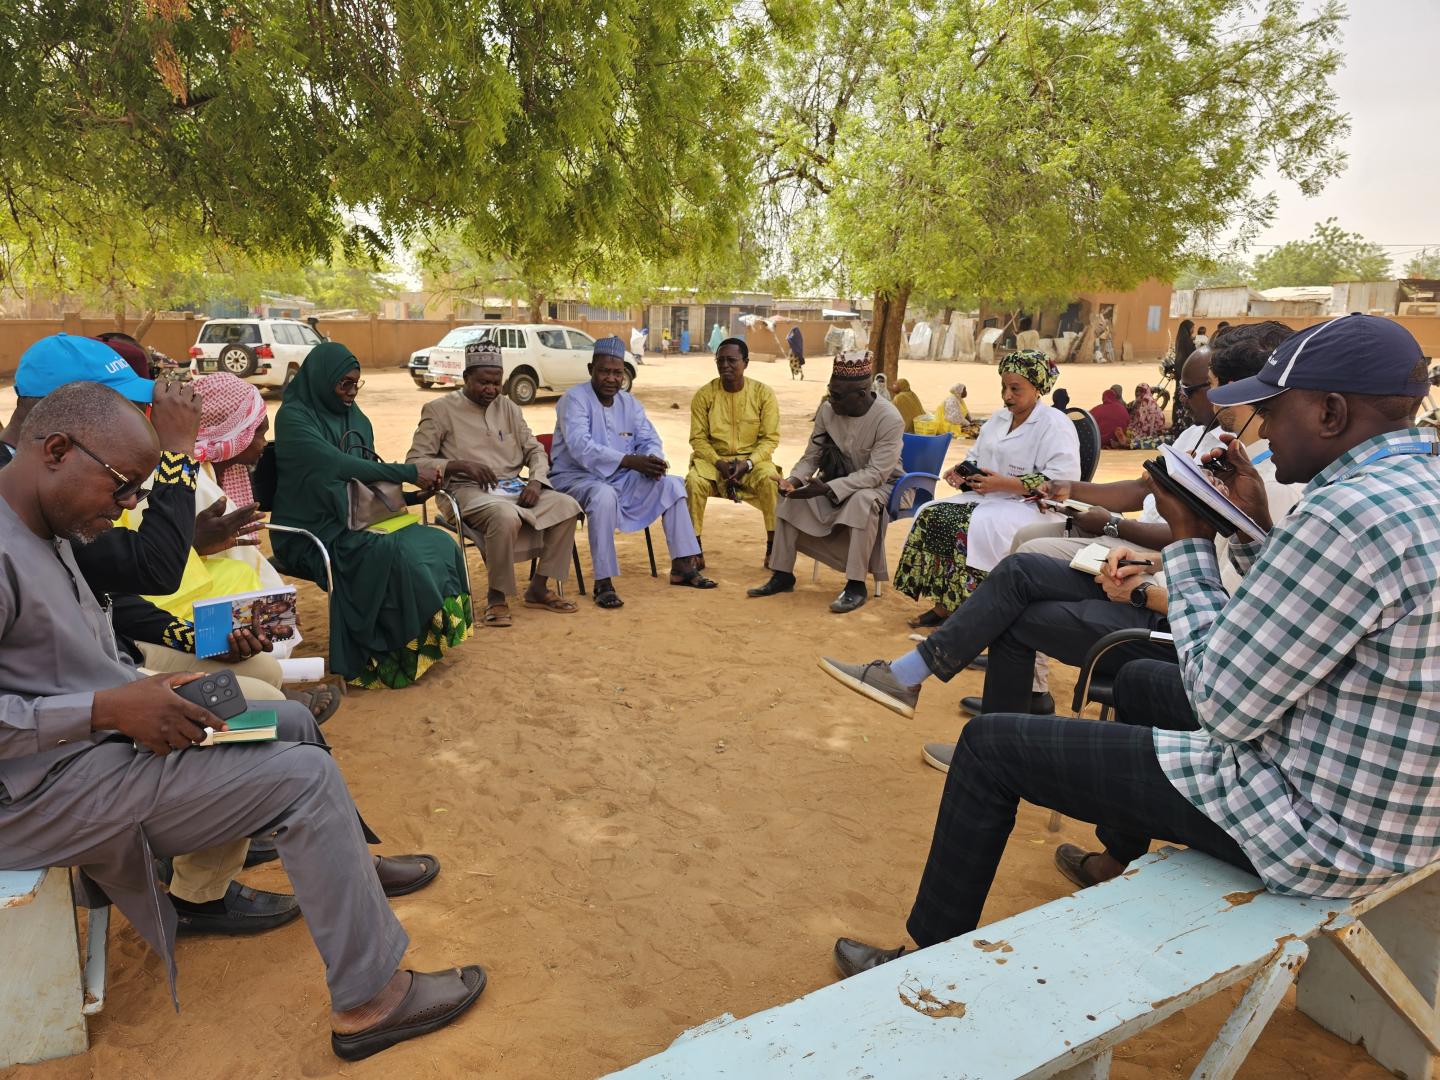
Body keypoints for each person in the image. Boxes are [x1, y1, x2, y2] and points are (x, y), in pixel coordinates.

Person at [825, 314, 1440, 982]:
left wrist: (1190, 545)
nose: (1257, 424)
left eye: (1269, 408)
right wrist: (1250, 529)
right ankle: (1114, 856)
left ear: (1330, 411)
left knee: (990, 748)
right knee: (1144, 684)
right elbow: (1312, 623)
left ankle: (914, 970)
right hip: (1385, 809)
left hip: (1310, 828)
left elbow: (1224, 709)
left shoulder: (1342, 517)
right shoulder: (1410, 492)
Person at [0, 382, 484, 1058]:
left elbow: (62, 660)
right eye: (122, 489)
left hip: (87, 749)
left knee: (281, 719)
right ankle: (370, 1001)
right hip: (37, 795)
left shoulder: (45, 526)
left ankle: (351, 867)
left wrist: (153, 685)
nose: (130, 507)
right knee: (301, 779)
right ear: (56, 450)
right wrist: (110, 707)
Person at [820, 323, 1304, 764]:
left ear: (1240, 389)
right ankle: (915, 679)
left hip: (1172, 622)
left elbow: (1235, 596)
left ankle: (978, 736)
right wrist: (1118, 537)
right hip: (1150, 574)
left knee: (1017, 595)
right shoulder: (1227, 449)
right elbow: (1173, 519)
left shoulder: (1272, 478)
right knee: (1018, 570)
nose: (1198, 397)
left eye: (1209, 385)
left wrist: (1136, 571)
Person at [271, 343, 473, 687]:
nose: (351, 393)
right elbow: (335, 466)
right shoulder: (293, 418)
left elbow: (365, 484)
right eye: (344, 384)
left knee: (436, 542)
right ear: (322, 379)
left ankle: (416, 646)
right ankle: (377, 657)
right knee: (391, 554)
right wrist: (410, 472)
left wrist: (409, 495)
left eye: (356, 384)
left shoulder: (355, 418)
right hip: (310, 530)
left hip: (357, 520)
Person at [894, 350, 1080, 628]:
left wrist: (1006, 484)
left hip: (1033, 508)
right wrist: (963, 471)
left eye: (1015, 389)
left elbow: (1061, 481)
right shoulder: (998, 419)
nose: (1007, 395)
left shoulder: (1055, 425)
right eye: (1004, 387)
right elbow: (976, 455)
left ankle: (977, 611)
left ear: (1037, 387)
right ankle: (946, 604)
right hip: (989, 497)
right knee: (930, 513)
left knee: (971, 526)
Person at [406, 340, 582, 627]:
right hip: (465, 491)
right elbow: (414, 461)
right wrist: (458, 465)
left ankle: (538, 586)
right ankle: (496, 596)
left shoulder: (509, 408)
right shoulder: (439, 410)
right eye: (483, 382)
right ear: (466, 379)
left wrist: (536, 482)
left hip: (512, 487)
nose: (491, 389)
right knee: (504, 516)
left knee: (567, 505)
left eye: (496, 382)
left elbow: (535, 449)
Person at [549, 336, 715, 608]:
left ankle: (683, 566)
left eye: (617, 372)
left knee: (672, 485)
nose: (611, 378)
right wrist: (629, 460)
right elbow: (581, 447)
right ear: (591, 369)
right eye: (605, 371)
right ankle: (603, 582)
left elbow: (649, 439)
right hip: (576, 478)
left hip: (621, 478)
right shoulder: (574, 400)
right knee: (602, 495)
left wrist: (653, 461)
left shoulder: (630, 404)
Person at [747, 350, 903, 613]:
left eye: (838, 395)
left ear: (862, 395)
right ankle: (782, 574)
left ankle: (855, 585)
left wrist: (829, 488)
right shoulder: (827, 410)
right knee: (789, 499)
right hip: (836, 480)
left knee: (862, 501)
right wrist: (794, 481)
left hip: (883, 484)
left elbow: (876, 473)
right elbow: (812, 456)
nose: (831, 399)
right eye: (830, 391)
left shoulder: (889, 419)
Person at [684, 338, 781, 563]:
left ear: (745, 363)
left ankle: (774, 548)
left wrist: (747, 463)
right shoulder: (704, 395)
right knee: (693, 482)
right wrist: (718, 462)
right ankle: (693, 551)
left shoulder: (763, 394)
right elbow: (698, 439)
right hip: (713, 463)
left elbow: (770, 439)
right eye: (720, 360)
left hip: (753, 462)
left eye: (732, 360)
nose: (725, 365)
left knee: (770, 480)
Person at [1120, 383, 1168, 448]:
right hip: (1142, 428)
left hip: (1152, 430)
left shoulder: (1147, 401)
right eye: (1137, 391)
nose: (1138, 393)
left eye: (1141, 391)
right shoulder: (1136, 402)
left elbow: (1144, 422)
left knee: (1135, 436)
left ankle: (1126, 444)